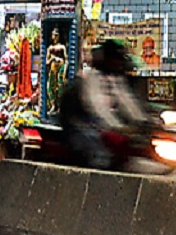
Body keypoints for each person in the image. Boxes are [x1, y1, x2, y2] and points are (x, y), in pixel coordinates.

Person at [60, 40, 150, 170]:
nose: (119, 63)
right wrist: (118, 127)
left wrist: (143, 121)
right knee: (102, 158)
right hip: (82, 128)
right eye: (116, 58)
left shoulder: (116, 79)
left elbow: (127, 102)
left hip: (105, 127)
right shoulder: (92, 78)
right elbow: (99, 107)